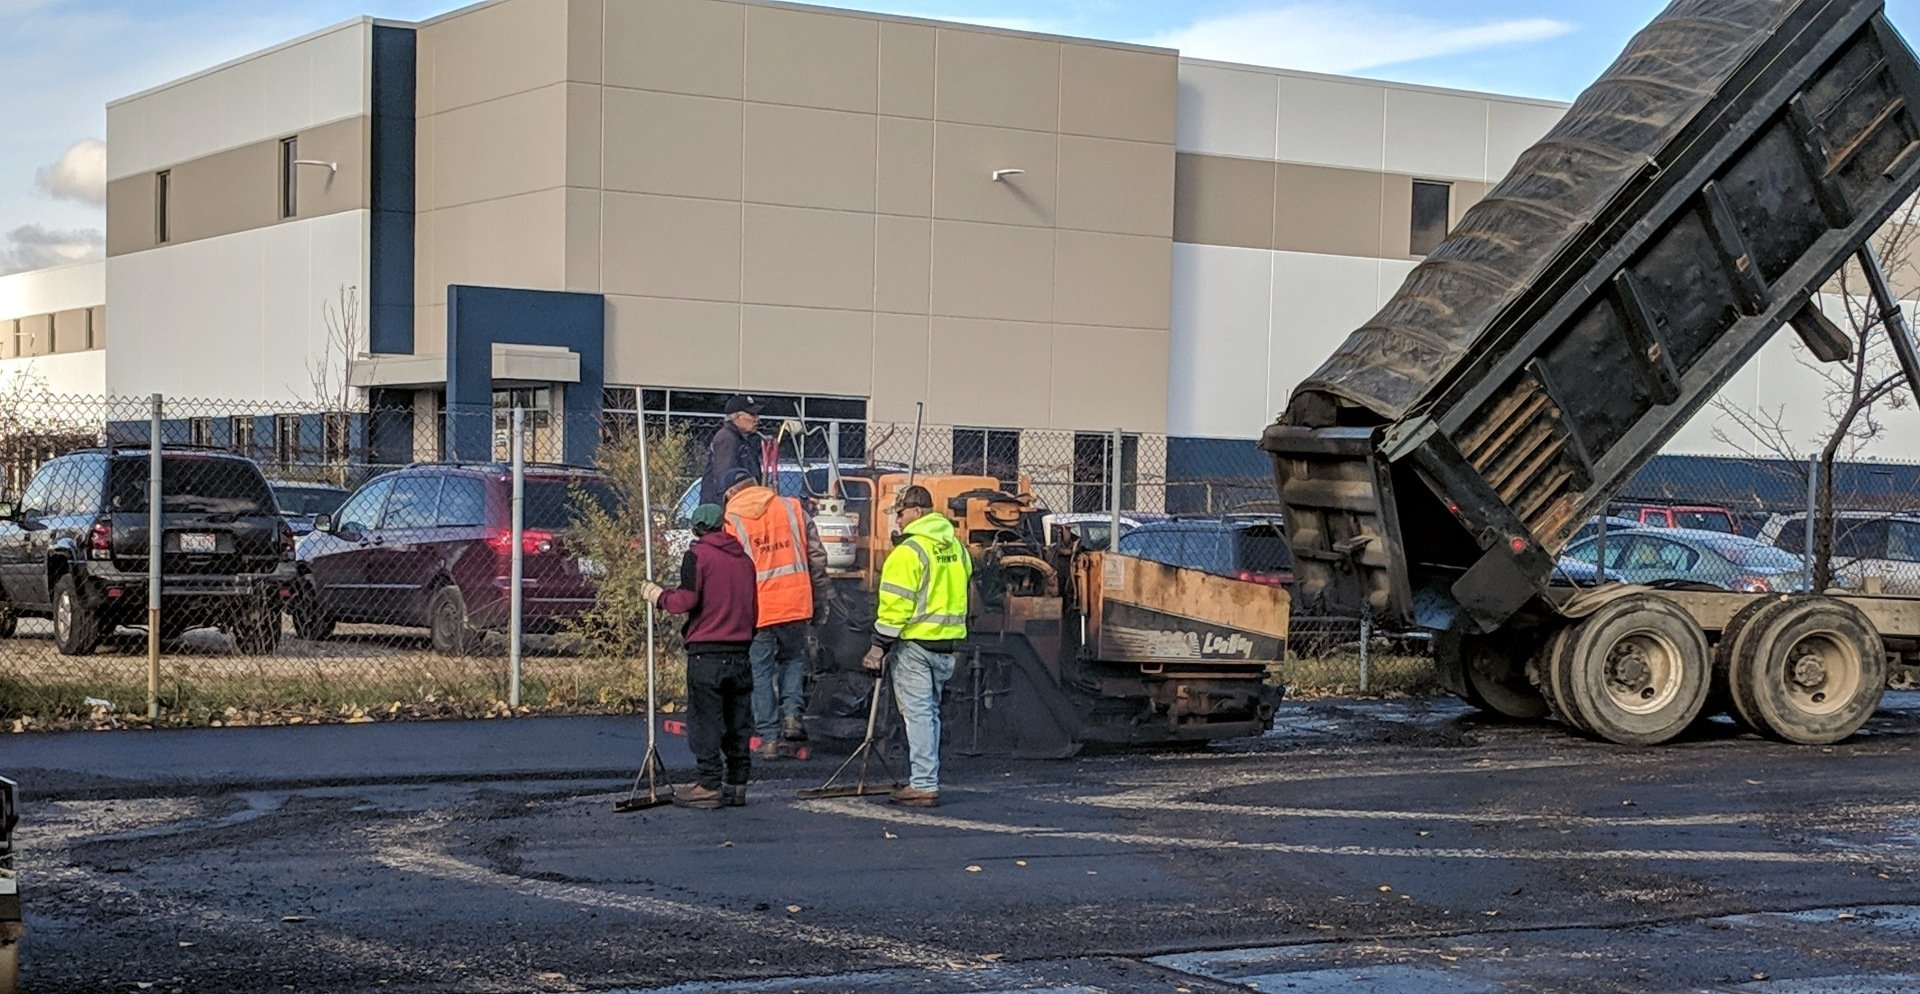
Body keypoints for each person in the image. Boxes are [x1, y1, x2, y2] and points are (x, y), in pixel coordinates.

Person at [861, 485, 971, 807]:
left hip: (914, 645)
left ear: (917, 512)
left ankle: (923, 783)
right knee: (930, 714)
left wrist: (877, 647)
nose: (897, 517)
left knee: (919, 714)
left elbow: (896, 607)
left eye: (901, 511)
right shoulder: (955, 546)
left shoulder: (909, 552)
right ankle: (927, 777)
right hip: (946, 644)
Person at [643, 504, 757, 810]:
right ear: (723, 526)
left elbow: (687, 600)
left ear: (696, 529)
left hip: (707, 653)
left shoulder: (697, 556)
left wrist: (658, 596)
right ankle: (737, 783)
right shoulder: (745, 561)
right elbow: (752, 607)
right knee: (738, 722)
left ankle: (708, 784)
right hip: (741, 651)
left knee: (706, 722)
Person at [722, 467, 833, 756]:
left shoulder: (732, 519)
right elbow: (817, 558)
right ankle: (793, 717)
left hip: (758, 608)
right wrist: (821, 599)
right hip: (796, 603)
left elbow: (730, 571)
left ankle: (769, 738)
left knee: (760, 671)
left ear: (731, 494)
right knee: (793, 660)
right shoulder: (792, 507)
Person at [698, 395, 765, 506]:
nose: (757, 419)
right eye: (752, 415)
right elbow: (725, 479)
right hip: (724, 506)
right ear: (736, 417)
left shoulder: (743, 439)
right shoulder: (727, 439)